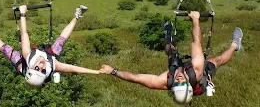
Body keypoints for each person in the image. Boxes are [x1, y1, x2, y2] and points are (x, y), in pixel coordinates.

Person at [100, 11, 243, 104]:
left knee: (171, 54)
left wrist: (113, 71)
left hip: (182, 69)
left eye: (177, 84)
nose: (179, 80)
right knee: (217, 61)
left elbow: (135, 78)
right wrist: (195, 20)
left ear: (172, 87)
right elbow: (196, 42)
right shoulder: (198, 70)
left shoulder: (163, 82)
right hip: (198, 72)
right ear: (188, 84)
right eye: (183, 83)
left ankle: (168, 37)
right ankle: (235, 44)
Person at [0, 5, 100, 87]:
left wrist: (22, 13)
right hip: (48, 60)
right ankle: (77, 15)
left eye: (38, 67)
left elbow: (24, 33)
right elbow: (76, 69)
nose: (42, 65)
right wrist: (97, 72)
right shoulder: (52, 67)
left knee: (6, 49)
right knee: (60, 41)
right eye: (43, 70)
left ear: (32, 66)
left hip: (25, 64)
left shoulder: (28, 58)